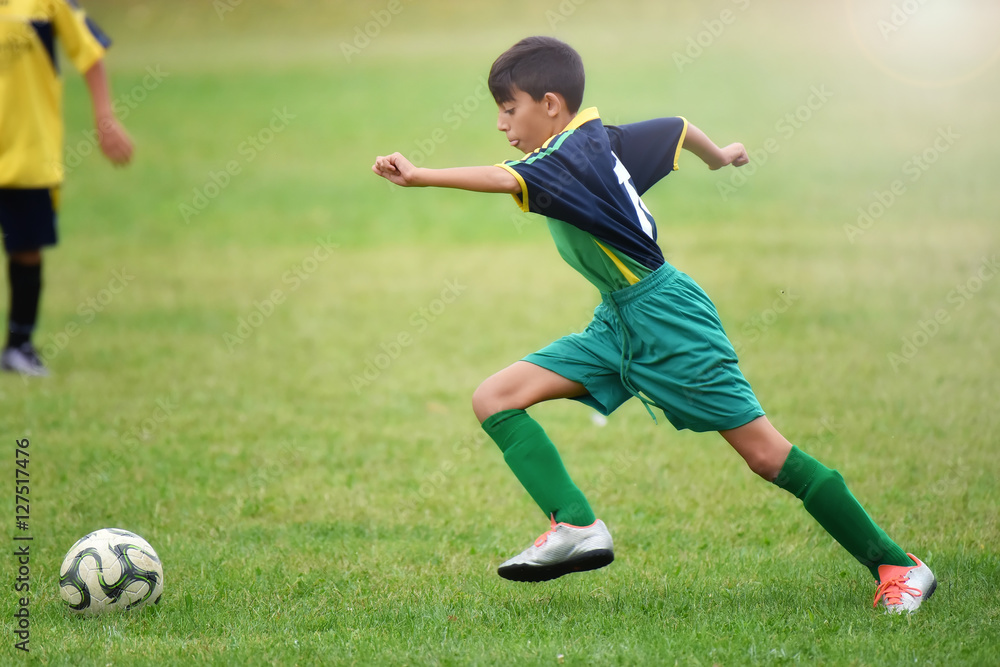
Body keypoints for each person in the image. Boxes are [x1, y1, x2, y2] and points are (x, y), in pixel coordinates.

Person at [372, 36, 935, 613]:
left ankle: (898, 565)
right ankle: (575, 525)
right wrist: (720, 155)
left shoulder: (566, 158)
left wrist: (420, 176)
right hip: (617, 319)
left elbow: (505, 178)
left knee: (766, 455)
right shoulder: (599, 139)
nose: (500, 123)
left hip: (668, 319)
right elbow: (677, 127)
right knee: (495, 397)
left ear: (549, 103)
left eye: (508, 108)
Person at [0, 0, 133, 376]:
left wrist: (104, 116)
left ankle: (18, 346)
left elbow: (89, 50)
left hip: (29, 148)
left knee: (27, 249)